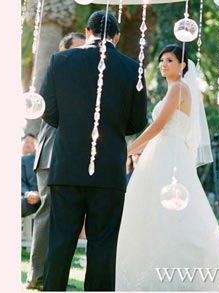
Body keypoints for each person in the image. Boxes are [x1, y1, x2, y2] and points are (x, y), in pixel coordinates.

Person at [115, 44, 219, 291]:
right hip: (164, 152)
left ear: (183, 65)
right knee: (154, 211)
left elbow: (158, 125)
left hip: (168, 155)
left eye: (169, 60)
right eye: (161, 60)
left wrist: (127, 149)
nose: (163, 64)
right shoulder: (174, 89)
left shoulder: (179, 88)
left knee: (169, 211)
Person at [40, 11, 148, 291]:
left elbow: (48, 112)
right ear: (117, 36)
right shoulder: (132, 68)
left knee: (60, 243)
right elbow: (137, 123)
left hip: (66, 167)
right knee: (103, 246)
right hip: (109, 171)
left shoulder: (60, 60)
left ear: (87, 31)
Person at [25, 32, 86, 291]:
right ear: (64, 52)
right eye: (79, 49)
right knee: (47, 215)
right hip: (52, 155)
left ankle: (54, 277)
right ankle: (38, 278)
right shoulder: (57, 76)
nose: (84, 54)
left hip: (74, 158)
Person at [21, 151, 40, 218]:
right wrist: (27, 193)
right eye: (27, 142)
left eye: (32, 143)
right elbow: (21, 181)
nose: (29, 144)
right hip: (31, 197)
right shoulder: (25, 159)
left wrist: (40, 195)